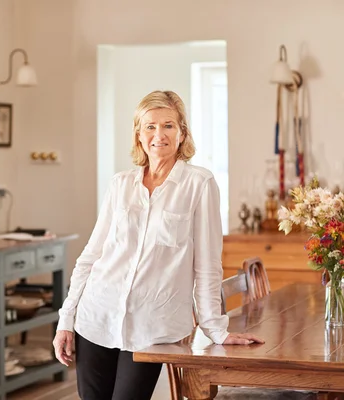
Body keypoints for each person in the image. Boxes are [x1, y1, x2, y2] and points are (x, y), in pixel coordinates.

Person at [52, 90, 264, 400]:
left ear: (182, 133)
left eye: (168, 125)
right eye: (150, 126)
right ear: (138, 134)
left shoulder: (199, 185)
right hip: (96, 317)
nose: (158, 135)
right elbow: (91, 256)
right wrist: (65, 320)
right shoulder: (120, 185)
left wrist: (216, 329)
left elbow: (206, 265)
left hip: (152, 328)